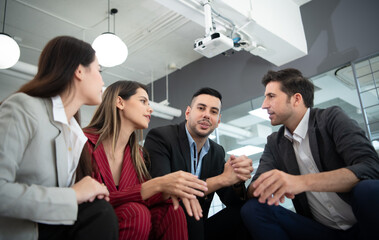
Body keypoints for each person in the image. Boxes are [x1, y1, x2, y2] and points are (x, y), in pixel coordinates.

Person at [0, 36, 118, 240]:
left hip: (51, 229)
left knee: (99, 210)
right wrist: (73, 195)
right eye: (99, 70)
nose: (102, 80)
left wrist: (86, 195)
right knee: (101, 214)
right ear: (79, 71)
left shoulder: (73, 133)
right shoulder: (23, 107)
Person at [241, 68, 379, 240]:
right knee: (253, 208)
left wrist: (300, 182)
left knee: (368, 189)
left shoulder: (332, 118)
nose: (264, 105)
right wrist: (260, 183)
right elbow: (254, 190)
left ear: (296, 99)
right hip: (322, 232)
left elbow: (370, 168)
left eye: (271, 96)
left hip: (364, 226)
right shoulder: (274, 142)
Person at [81, 80, 208, 240]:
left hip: (126, 221)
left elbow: (140, 197)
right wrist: (157, 184)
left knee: (172, 210)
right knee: (136, 212)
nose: (150, 109)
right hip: (90, 223)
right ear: (120, 102)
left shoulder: (137, 155)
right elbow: (91, 202)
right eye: (143, 101)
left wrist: (168, 190)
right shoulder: (83, 142)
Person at [144, 87, 254, 240]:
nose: (207, 115)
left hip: (199, 226)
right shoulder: (161, 137)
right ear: (188, 112)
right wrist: (222, 179)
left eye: (213, 112)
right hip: (166, 223)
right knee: (187, 208)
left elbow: (231, 201)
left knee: (247, 211)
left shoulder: (216, 152)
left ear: (218, 121)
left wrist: (236, 177)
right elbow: (165, 190)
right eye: (201, 108)